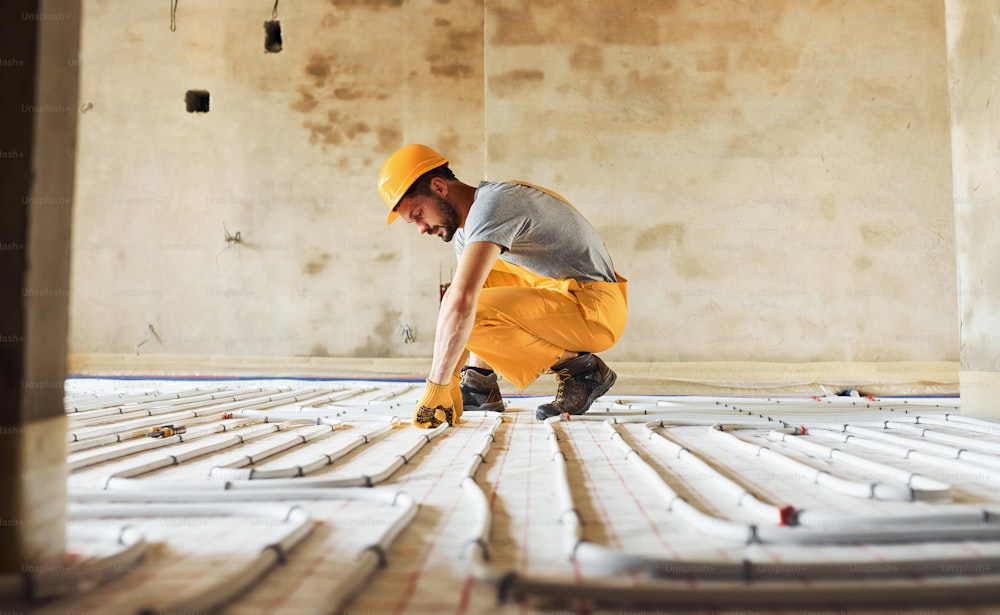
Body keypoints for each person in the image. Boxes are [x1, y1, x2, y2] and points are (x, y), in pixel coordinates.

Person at [376, 144, 628, 428]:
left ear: (438, 187)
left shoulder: (493, 207)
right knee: (473, 286)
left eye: (419, 214)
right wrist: (454, 381)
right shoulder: (469, 231)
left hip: (597, 308)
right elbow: (462, 304)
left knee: (467, 304)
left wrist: (438, 386)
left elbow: (461, 305)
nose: (421, 229)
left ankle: (582, 371)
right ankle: (479, 382)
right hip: (565, 297)